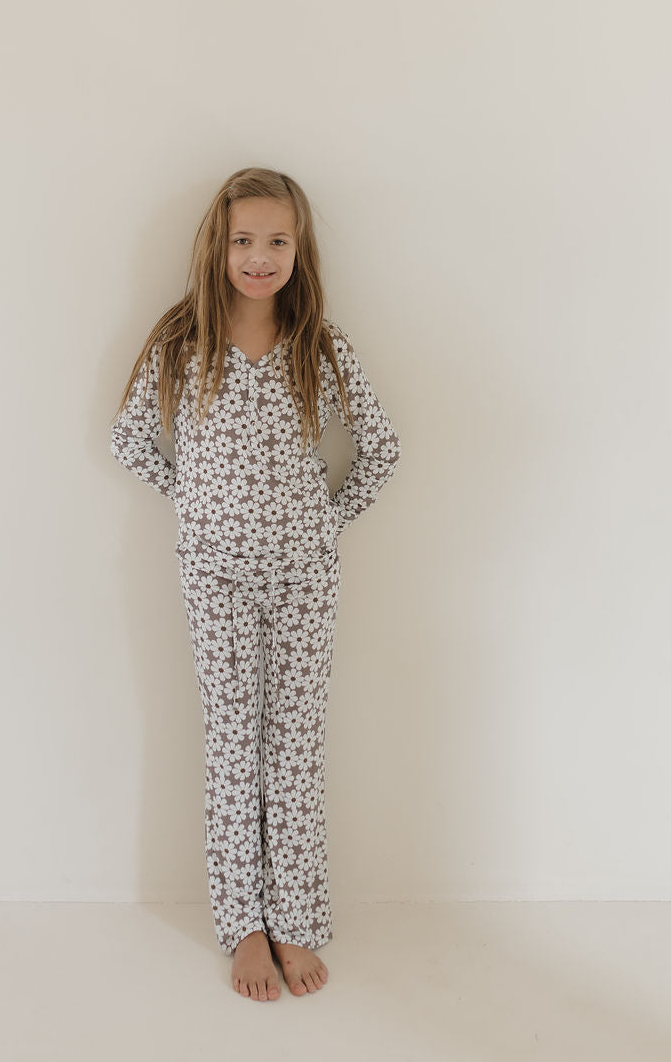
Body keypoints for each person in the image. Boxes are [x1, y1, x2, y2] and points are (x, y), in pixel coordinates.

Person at [109, 166, 402, 1001]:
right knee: (233, 750)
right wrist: (205, 508)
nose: (260, 256)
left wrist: (321, 523)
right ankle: (244, 926)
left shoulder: (321, 345)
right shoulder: (183, 343)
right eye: (244, 240)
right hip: (215, 579)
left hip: (307, 580)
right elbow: (132, 441)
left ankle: (297, 920)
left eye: (277, 240)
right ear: (219, 246)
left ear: (298, 248)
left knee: (294, 751)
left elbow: (380, 450)